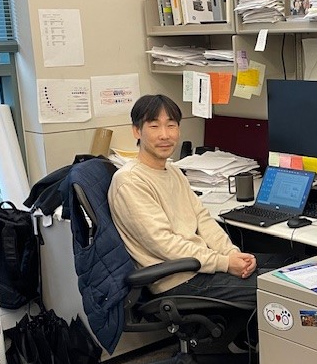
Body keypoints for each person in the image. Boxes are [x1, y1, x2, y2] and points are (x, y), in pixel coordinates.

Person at [108, 94, 258, 304]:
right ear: (136, 131)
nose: (164, 135)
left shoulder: (173, 170)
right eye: (154, 126)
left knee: (288, 267)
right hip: (177, 280)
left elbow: (202, 218)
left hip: (201, 266)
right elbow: (165, 245)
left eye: (171, 125)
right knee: (279, 291)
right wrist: (224, 263)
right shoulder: (130, 181)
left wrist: (232, 253)